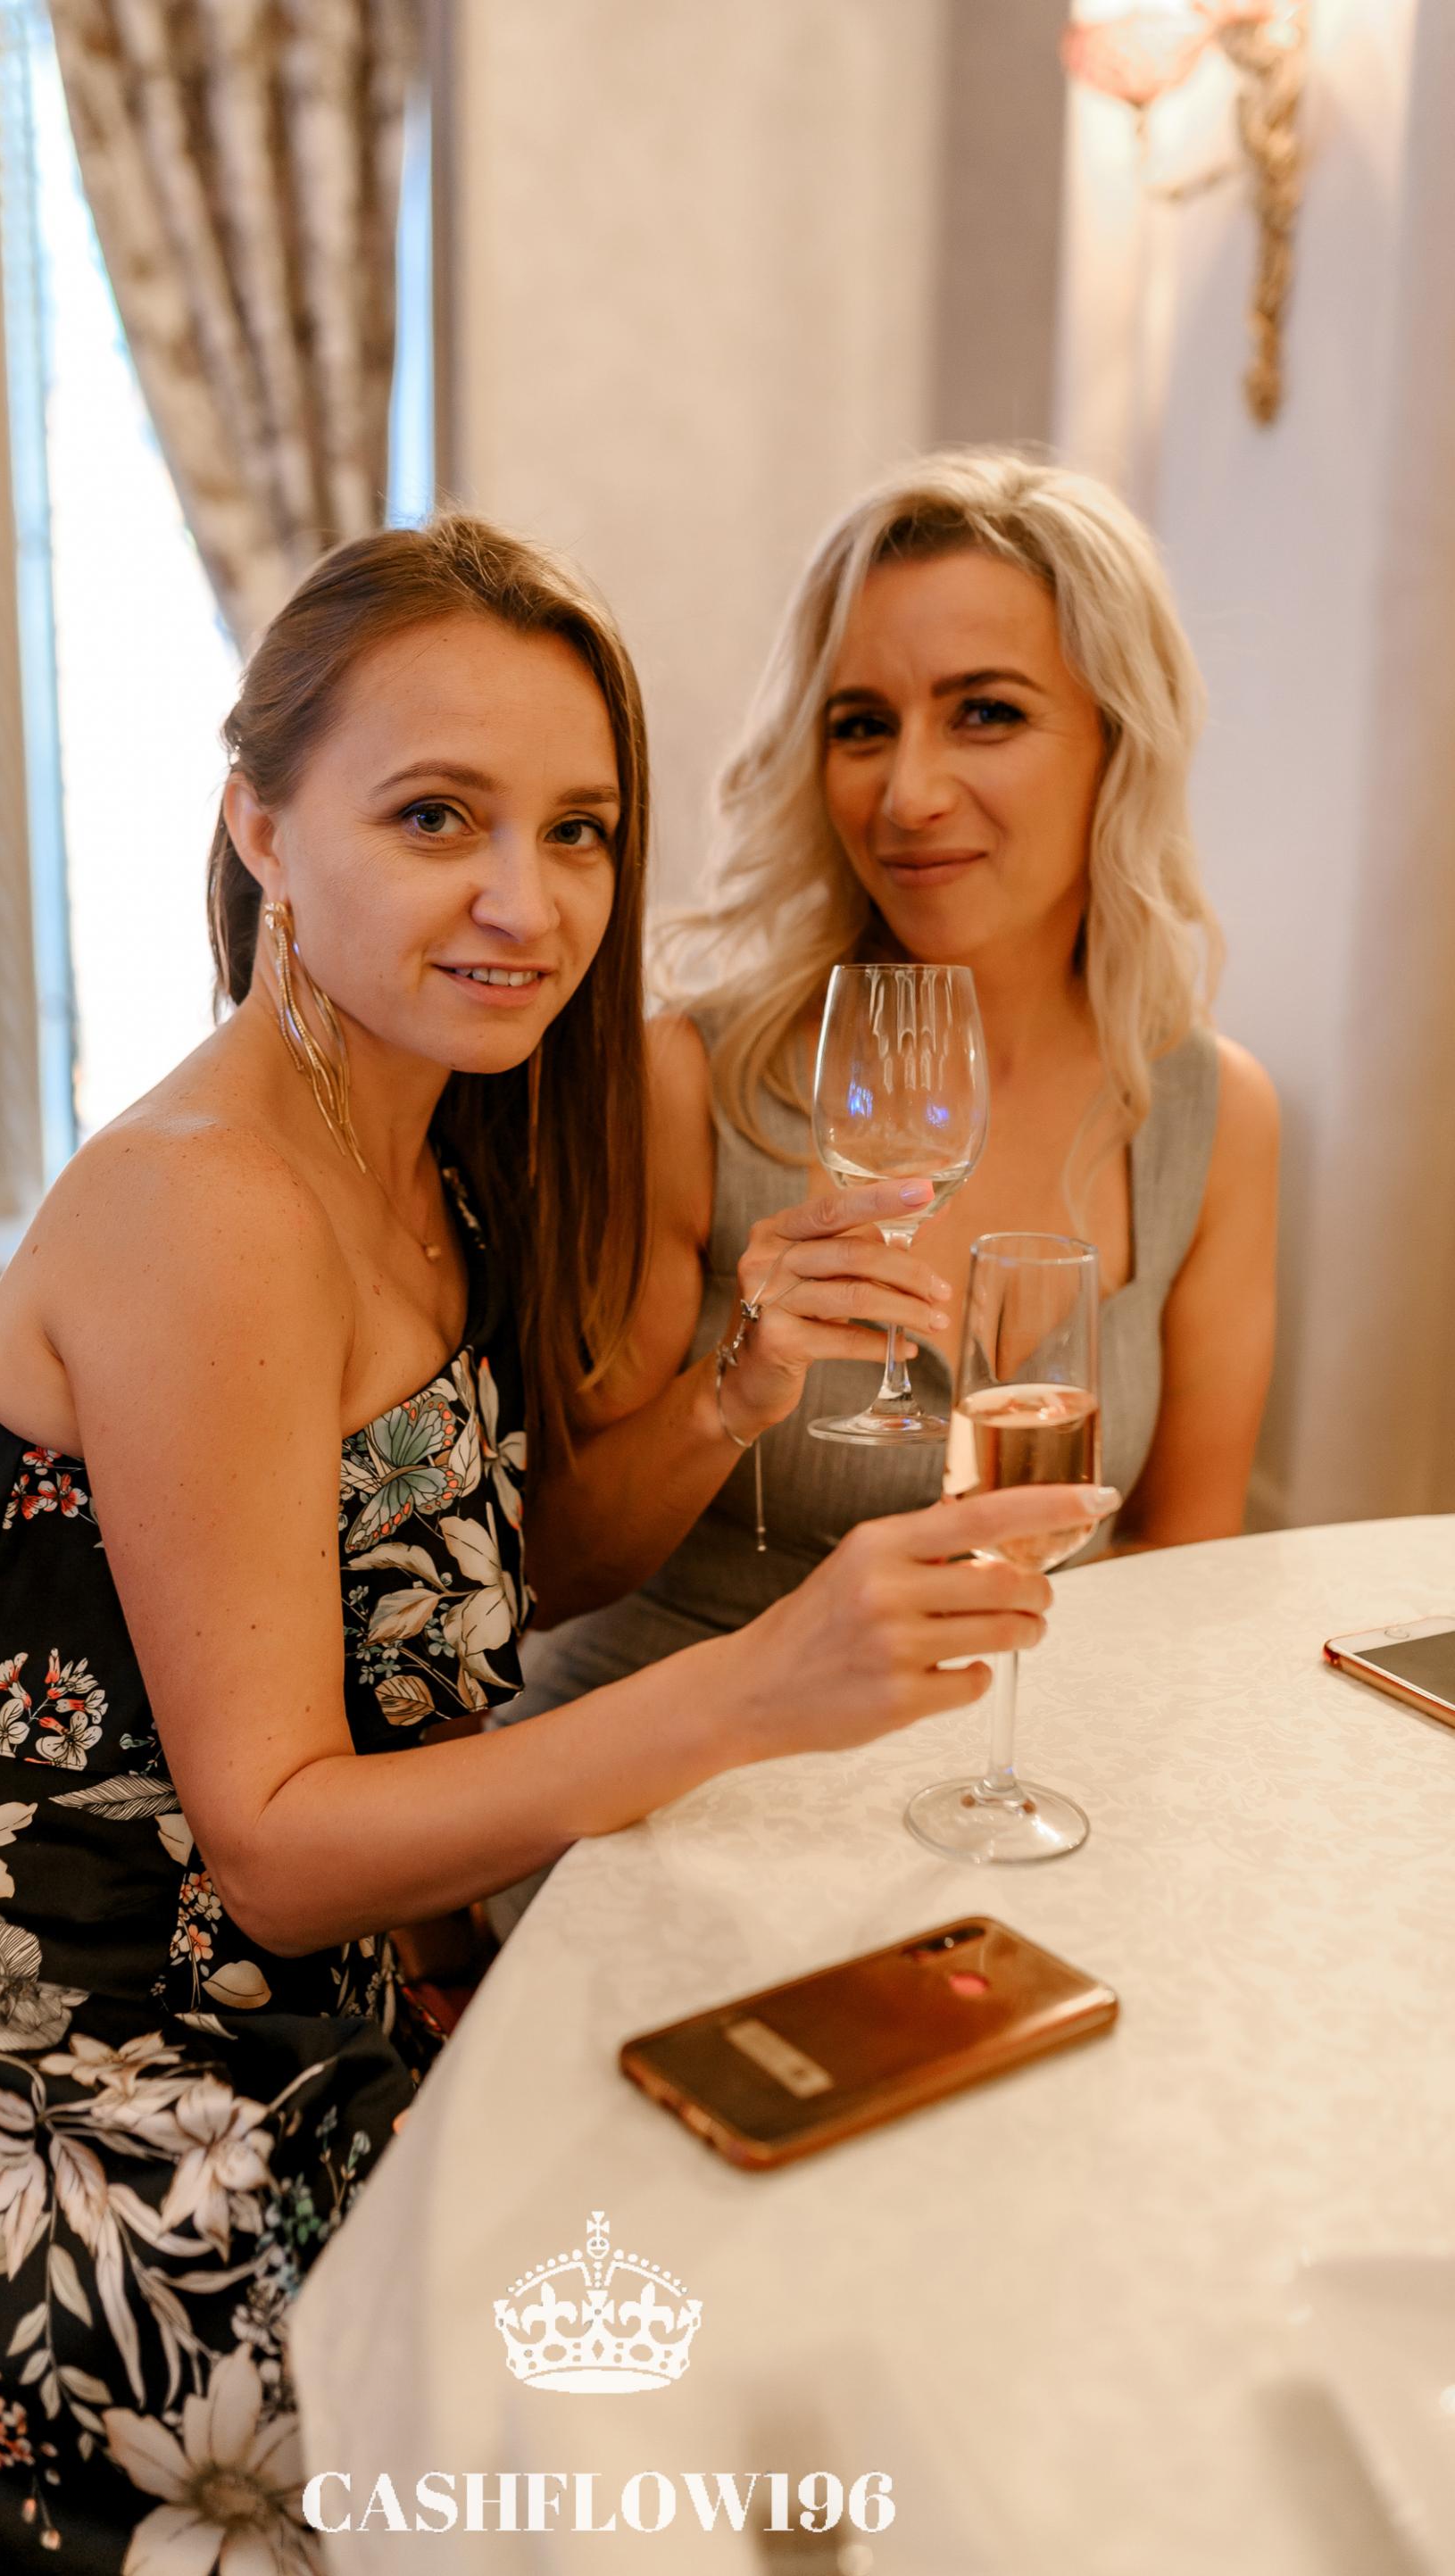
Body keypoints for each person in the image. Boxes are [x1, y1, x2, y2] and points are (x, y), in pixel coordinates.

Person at [0, 513, 1103, 2573]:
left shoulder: (422, 1147)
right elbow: (280, 1841)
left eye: (579, 832)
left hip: (288, 2004)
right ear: (263, 829)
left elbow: (479, 1587)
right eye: (437, 816)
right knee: (679, 2417)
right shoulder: (212, 1204)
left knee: (850, 2215)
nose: (525, 902)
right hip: (35, 2080)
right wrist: (762, 1686)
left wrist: (737, 1386)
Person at [510, 450, 1277, 1752]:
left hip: (1005, 1763)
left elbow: (1181, 1563)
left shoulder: (1214, 1116)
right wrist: (732, 1390)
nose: (908, 795)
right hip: (673, 1763)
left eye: (986, 713)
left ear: (1118, 738)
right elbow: (552, 1569)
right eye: (862, 725)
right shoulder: (693, 1081)